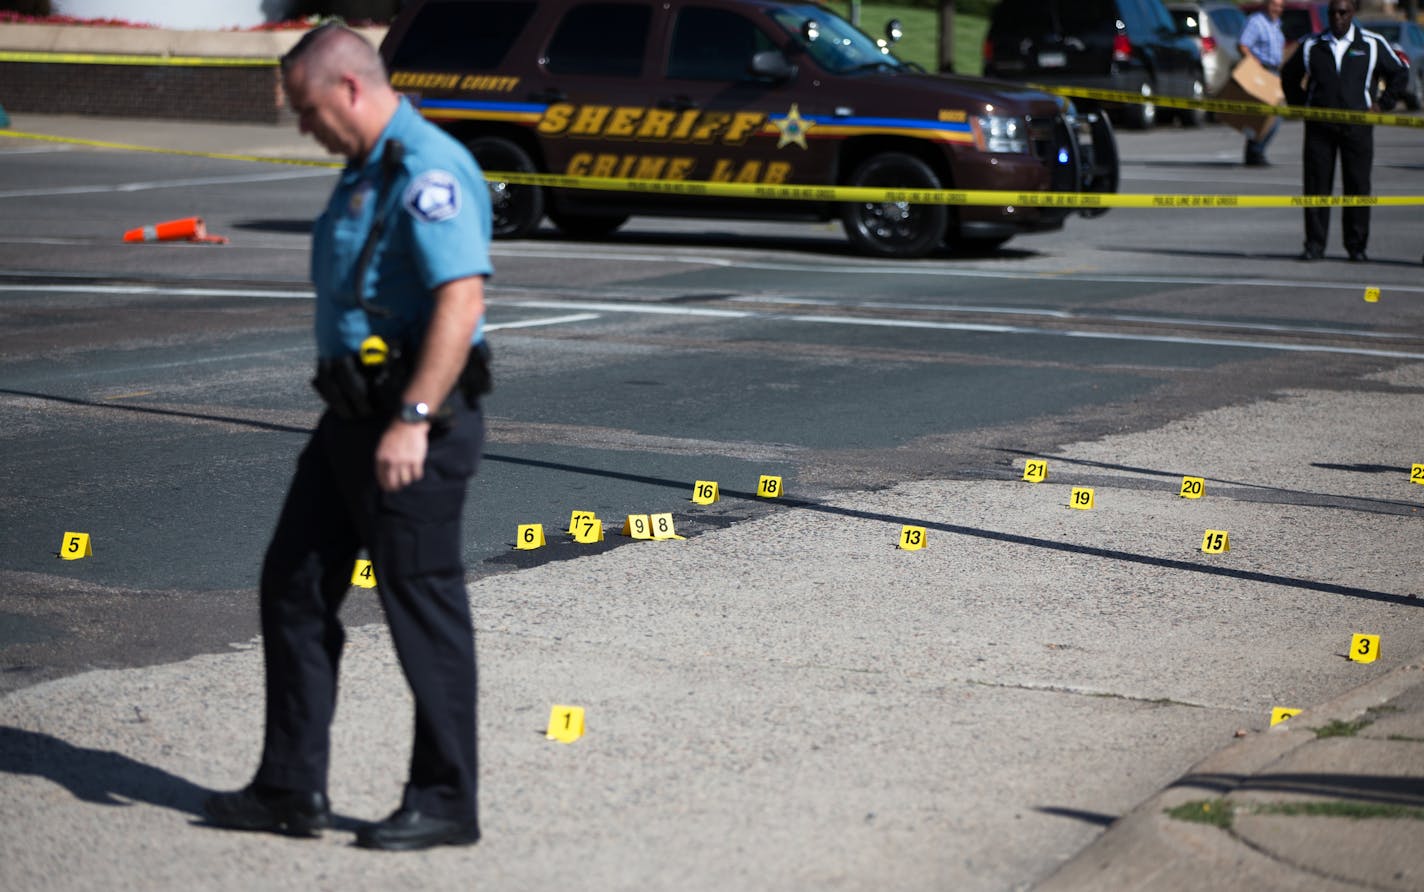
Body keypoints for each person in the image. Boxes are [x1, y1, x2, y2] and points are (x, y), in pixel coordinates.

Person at [203, 23, 492, 851]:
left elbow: (460, 303)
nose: (304, 128)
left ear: (351, 88)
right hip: (351, 418)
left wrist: (412, 419)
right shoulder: (365, 169)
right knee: (292, 585)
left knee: (421, 607)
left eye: (306, 110)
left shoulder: (427, 170)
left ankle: (445, 801)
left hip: (414, 425)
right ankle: (290, 787)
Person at [1282, 0, 1407, 262]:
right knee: (1316, 187)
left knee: (1358, 187)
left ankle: (1356, 246)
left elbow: (1399, 73)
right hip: (1320, 128)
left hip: (1357, 128)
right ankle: (1315, 245)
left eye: (1343, 13)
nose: (1338, 18)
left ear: (1352, 14)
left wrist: (1383, 104)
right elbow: (1289, 75)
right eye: (1333, 13)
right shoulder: (1312, 44)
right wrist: (1301, 105)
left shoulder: (1371, 44)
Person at [1237, 0, 1285, 166]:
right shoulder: (1256, 21)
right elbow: (1243, 45)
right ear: (1266, 4)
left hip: (1274, 72)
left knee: (1273, 115)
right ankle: (1255, 152)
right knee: (1270, 115)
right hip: (1262, 72)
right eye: (1274, 4)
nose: (1277, 9)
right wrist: (1255, 64)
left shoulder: (1276, 23)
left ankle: (1255, 151)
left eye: (1280, 6)